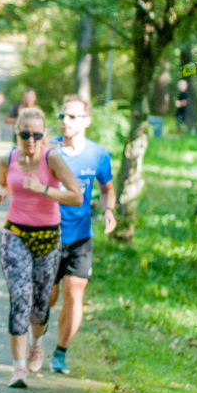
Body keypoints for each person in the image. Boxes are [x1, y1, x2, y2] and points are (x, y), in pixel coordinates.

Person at [0, 107, 82, 388]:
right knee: (20, 296)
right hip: (15, 234)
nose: (30, 140)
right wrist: (1, 192)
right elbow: (3, 184)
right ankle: (18, 368)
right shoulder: (7, 158)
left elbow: (76, 196)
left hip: (48, 237)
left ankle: (36, 342)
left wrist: (42, 189)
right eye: (25, 135)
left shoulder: (51, 157)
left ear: (44, 135)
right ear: (17, 133)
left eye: (36, 135)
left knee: (40, 305)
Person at [47, 95, 116, 373]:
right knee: (48, 298)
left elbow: (107, 188)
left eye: (72, 116)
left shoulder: (98, 155)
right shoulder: (49, 149)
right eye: (62, 115)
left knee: (74, 294)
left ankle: (60, 353)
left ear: (86, 121)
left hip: (80, 235)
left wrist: (109, 210)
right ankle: (35, 338)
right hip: (48, 234)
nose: (65, 121)